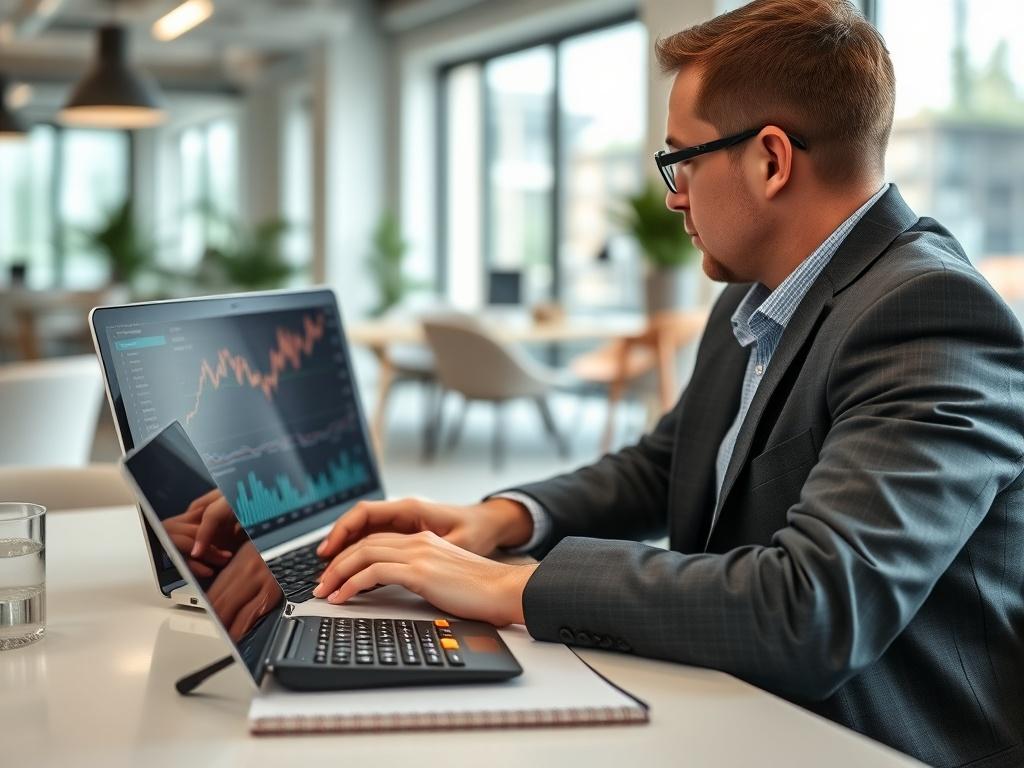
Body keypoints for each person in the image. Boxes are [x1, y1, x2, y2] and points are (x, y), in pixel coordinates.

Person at [304, 1, 1024, 764]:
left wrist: (508, 590)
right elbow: (666, 464)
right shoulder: (755, 296)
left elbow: (813, 608)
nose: (673, 195)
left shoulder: (929, 314)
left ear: (771, 160)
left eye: (682, 160)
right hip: (742, 706)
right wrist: (502, 521)